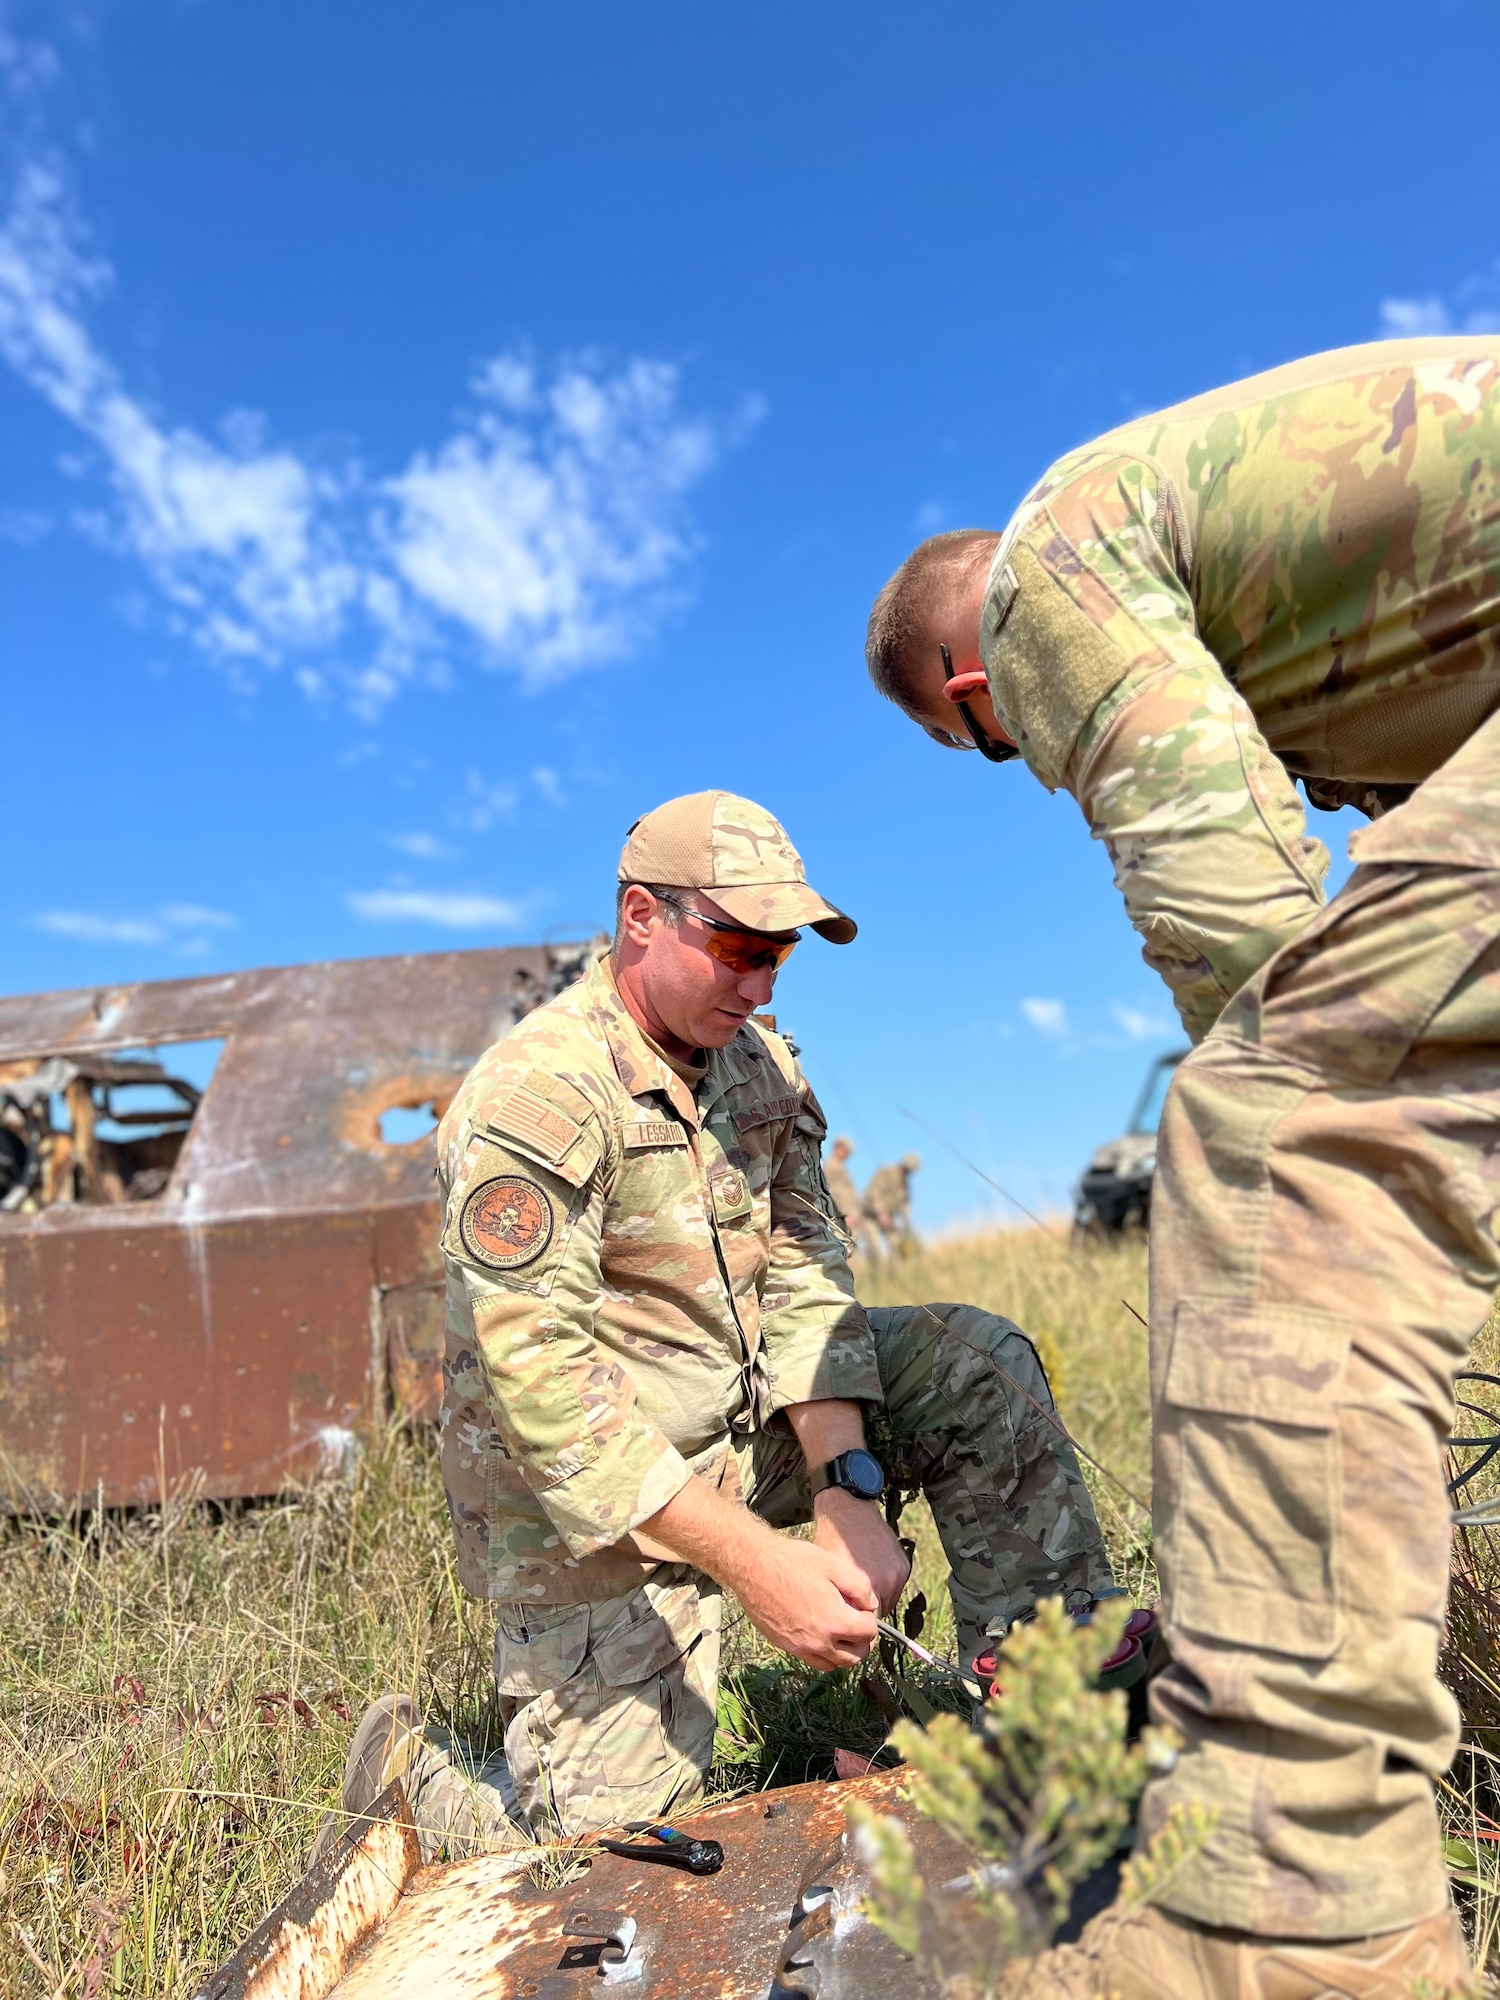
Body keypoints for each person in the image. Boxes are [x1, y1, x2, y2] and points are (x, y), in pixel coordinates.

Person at [864, 336, 1500, 1996]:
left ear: (969, 692)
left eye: (1001, 755)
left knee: (1274, 1123)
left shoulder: (1040, 580)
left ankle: (1293, 1937)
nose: (1027, 762)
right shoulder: (1258, 571)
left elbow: (1240, 915)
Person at [320, 790, 1115, 1857]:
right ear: (641, 916)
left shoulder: (759, 1068)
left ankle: (1048, 1717)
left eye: (778, 953)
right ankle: (427, 1787)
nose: (760, 981)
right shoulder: (539, 1096)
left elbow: (807, 1268)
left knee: (977, 1363)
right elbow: (548, 1396)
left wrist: (847, 1489)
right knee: (619, 1854)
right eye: (736, 945)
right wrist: (755, 1565)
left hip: (745, 1428)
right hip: (593, 1504)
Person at [862, 1151, 921, 1256]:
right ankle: (875, 1270)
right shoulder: (887, 1172)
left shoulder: (904, 1183)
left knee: (895, 1243)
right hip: (871, 1215)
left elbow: (904, 1202)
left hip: (889, 1217)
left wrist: (906, 1217)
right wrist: (881, 1212)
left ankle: (893, 1270)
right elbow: (873, 1192)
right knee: (873, 1247)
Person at [823, 1132, 864, 1240]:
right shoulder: (832, 1166)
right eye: (846, 1150)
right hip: (842, 1217)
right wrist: (844, 1214)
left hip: (849, 1215)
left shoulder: (840, 1167)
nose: (848, 1154)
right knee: (846, 1248)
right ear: (838, 1148)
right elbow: (831, 1192)